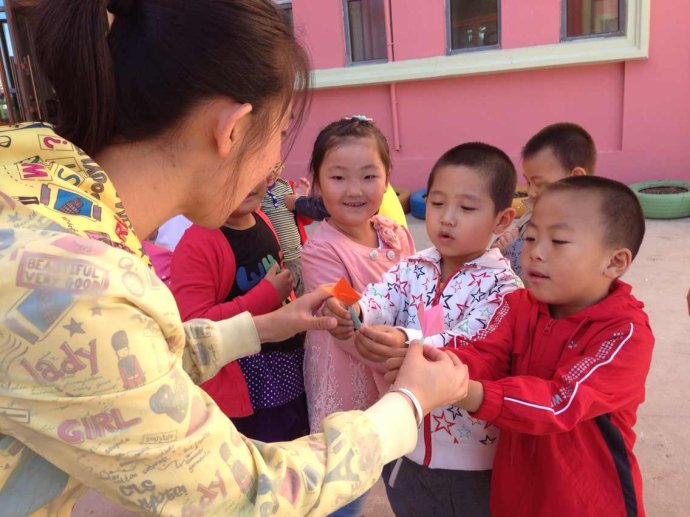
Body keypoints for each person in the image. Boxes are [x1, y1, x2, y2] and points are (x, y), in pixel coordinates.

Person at [0, 1, 470, 515]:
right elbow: (247, 495)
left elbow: (123, 363)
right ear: (231, 129)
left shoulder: (31, 176)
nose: (274, 164)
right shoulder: (78, 286)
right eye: (280, 132)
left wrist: (267, 324)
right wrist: (409, 403)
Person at [388, 176, 654, 516]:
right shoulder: (519, 306)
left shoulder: (624, 333)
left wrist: (462, 390)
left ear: (615, 262)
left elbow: (562, 402)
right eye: (530, 237)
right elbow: (485, 353)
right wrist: (433, 361)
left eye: (558, 241)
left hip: (588, 500)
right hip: (516, 490)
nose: (535, 253)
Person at [326, 143, 522, 516]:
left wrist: (406, 339)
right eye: (436, 203)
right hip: (406, 445)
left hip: (470, 460)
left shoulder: (506, 289)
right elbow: (381, 296)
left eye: (466, 208)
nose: (447, 218)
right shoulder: (413, 265)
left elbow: (469, 340)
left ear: (501, 220)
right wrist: (355, 309)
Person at [300, 116, 416, 516]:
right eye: (338, 178)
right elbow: (345, 326)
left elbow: (416, 293)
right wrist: (404, 361)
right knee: (346, 477)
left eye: (369, 176)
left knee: (394, 459)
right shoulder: (321, 251)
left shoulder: (395, 234)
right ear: (316, 182)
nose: (354, 190)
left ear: (387, 180)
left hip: (394, 363)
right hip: (349, 374)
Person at [172, 179, 308, 441]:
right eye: (231, 174)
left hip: (288, 365)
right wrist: (265, 297)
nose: (246, 182)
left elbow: (279, 283)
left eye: (253, 169)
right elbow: (195, 329)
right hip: (247, 383)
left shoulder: (261, 218)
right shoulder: (196, 245)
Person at [493, 122, 596, 277]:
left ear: (576, 178)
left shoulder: (583, 227)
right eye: (528, 182)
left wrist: (511, 249)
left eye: (540, 184)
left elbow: (547, 275)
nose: (531, 192)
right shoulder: (537, 209)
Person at [261, 164, 321, 297]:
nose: (271, 174)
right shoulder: (256, 192)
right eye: (267, 169)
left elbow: (306, 220)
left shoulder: (287, 186)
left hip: (298, 253)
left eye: (276, 168)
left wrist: (301, 199)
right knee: (287, 295)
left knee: (305, 289)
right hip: (279, 258)